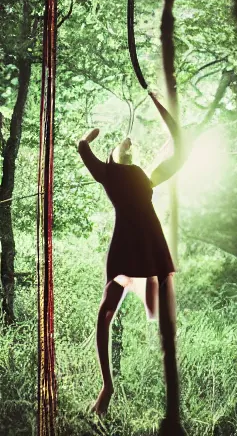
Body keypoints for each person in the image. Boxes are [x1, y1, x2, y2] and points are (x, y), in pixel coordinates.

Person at [77, 91, 187, 430]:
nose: (128, 144)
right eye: (122, 145)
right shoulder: (107, 174)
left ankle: (171, 398)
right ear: (112, 156)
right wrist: (90, 136)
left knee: (166, 322)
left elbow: (181, 146)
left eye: (131, 145)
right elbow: (82, 148)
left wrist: (156, 100)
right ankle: (106, 387)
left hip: (151, 244)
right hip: (126, 246)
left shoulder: (147, 177)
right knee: (105, 313)